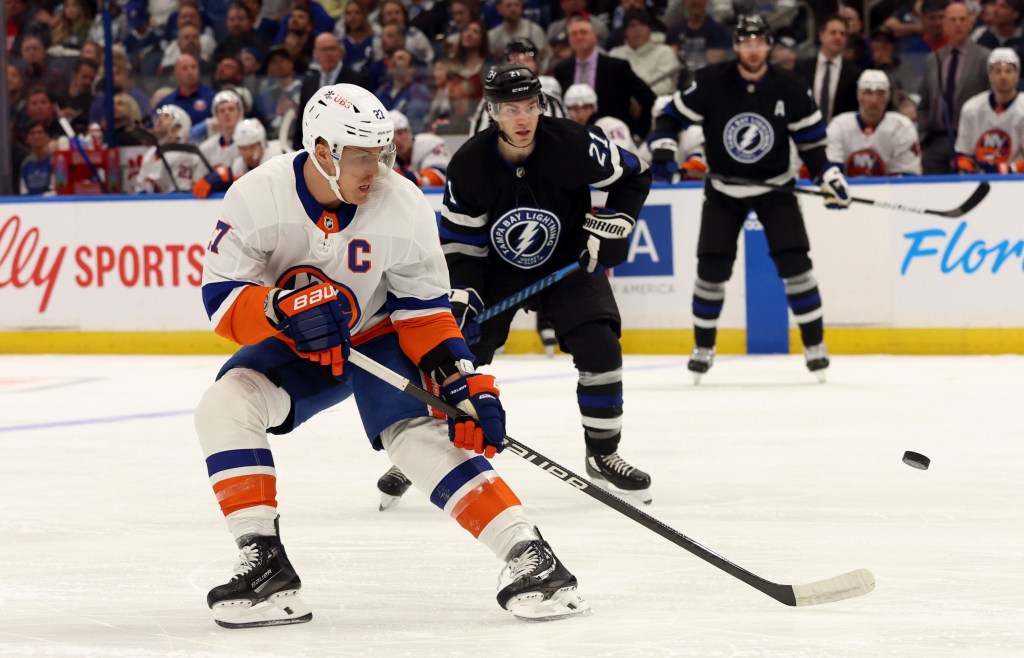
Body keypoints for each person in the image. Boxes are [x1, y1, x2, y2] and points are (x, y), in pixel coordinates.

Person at [196, 83, 590, 628]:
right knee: (225, 405)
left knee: (415, 433)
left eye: (382, 153)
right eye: (361, 154)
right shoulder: (256, 197)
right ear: (322, 151)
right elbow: (220, 303)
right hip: (295, 341)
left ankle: (529, 554)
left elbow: (423, 308)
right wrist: (278, 309)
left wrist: (458, 378)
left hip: (378, 332)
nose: (377, 168)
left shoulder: (400, 203)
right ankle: (265, 567)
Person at [376, 64, 654, 510]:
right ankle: (420, 454)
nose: (522, 119)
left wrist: (619, 220)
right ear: (492, 111)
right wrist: (464, 292)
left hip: (568, 264)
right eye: (510, 109)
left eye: (529, 106)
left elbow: (635, 174)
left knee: (600, 342)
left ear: (540, 105)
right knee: (454, 352)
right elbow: (463, 247)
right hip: (496, 274)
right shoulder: (468, 164)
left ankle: (603, 452)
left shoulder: (576, 144)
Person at [647, 14, 851, 383]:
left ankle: (815, 345)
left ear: (768, 45)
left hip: (777, 188)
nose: (752, 49)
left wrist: (828, 174)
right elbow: (670, 118)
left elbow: (812, 145)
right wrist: (663, 149)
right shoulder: (711, 81)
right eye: (745, 42)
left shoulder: (790, 86)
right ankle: (703, 347)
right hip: (725, 191)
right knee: (711, 269)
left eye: (759, 42)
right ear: (737, 46)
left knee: (796, 267)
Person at [826, 70, 922, 177]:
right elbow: (831, 170)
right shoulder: (839, 125)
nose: (874, 100)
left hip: (889, 192)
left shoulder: (902, 127)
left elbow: (908, 175)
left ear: (887, 97)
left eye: (880, 93)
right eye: (868, 92)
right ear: (859, 95)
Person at [955, 48, 1024, 173]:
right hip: (979, 179)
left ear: (1017, 74)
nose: (1003, 76)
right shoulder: (971, 108)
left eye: (1008, 71)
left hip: (1017, 182)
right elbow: (963, 153)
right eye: (997, 71)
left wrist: (1008, 169)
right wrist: (966, 168)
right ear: (989, 75)